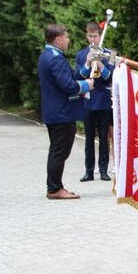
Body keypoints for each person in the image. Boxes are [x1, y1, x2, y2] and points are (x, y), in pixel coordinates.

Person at [38, 24, 94, 200]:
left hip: (54, 112)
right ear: (58, 39)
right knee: (59, 152)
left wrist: (87, 65)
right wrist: (87, 85)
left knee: (57, 151)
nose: (68, 40)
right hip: (61, 113)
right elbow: (68, 85)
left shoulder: (47, 55)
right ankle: (55, 188)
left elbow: (71, 76)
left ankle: (54, 186)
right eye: (66, 37)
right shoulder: (56, 59)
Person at [76, 22, 114, 182]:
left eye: (95, 36)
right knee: (89, 138)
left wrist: (99, 63)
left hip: (104, 101)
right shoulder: (81, 54)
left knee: (104, 138)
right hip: (88, 101)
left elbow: (111, 77)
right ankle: (89, 171)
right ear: (87, 36)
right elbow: (78, 77)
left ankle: (104, 170)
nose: (93, 39)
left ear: (100, 36)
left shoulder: (110, 54)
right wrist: (87, 63)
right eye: (90, 36)